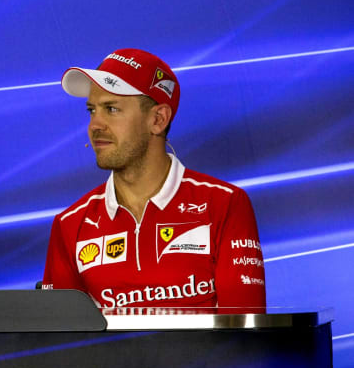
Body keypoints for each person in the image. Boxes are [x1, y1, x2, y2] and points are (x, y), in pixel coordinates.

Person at [42, 48, 265, 309]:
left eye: (111, 109)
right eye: (92, 110)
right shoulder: (69, 224)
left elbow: (245, 326)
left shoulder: (224, 204)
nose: (95, 125)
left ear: (158, 119)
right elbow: (61, 332)